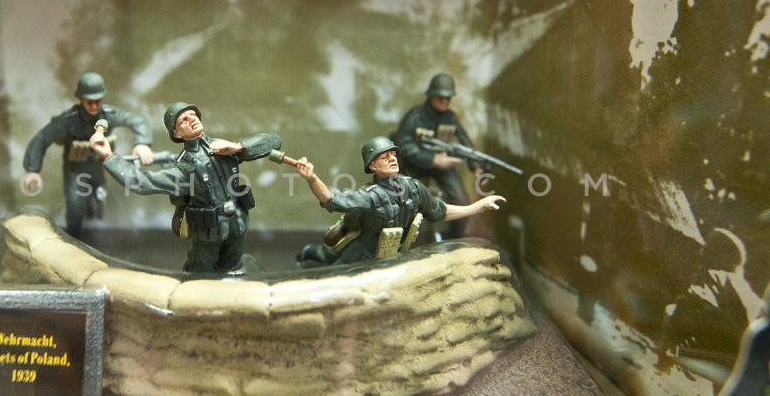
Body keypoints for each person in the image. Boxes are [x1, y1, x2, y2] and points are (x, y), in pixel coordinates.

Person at [90, 102, 281, 274]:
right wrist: (109, 156)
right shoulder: (185, 167)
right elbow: (142, 183)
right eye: (183, 120)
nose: (192, 119)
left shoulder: (224, 148)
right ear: (176, 133)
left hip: (237, 226)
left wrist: (238, 147)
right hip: (209, 233)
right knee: (199, 276)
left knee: (234, 270)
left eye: (193, 115)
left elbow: (273, 141)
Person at [294, 136, 504, 266]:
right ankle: (308, 254)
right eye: (385, 157)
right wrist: (312, 178)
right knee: (332, 269)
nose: (392, 159)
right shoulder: (370, 195)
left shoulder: (413, 188)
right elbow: (332, 199)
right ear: (372, 166)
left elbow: (439, 211)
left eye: (393, 155)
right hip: (361, 255)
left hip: (393, 256)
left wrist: (477, 207)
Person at [22, 72, 154, 238]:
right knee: (75, 207)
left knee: (100, 203)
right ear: (80, 99)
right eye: (89, 101)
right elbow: (42, 138)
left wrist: (142, 143)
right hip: (75, 171)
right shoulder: (68, 120)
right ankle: (73, 240)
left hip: (98, 168)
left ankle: (94, 216)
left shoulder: (108, 115)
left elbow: (137, 120)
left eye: (98, 101)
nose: (94, 106)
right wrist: (33, 169)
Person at [391, 72, 483, 239]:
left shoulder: (450, 118)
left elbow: (465, 143)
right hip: (415, 164)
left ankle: (453, 240)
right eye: (441, 97)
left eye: (448, 98)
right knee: (401, 200)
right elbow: (404, 146)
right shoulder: (414, 117)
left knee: (461, 201)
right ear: (431, 95)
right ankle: (399, 239)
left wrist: (476, 165)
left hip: (443, 167)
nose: (445, 101)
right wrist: (433, 159)